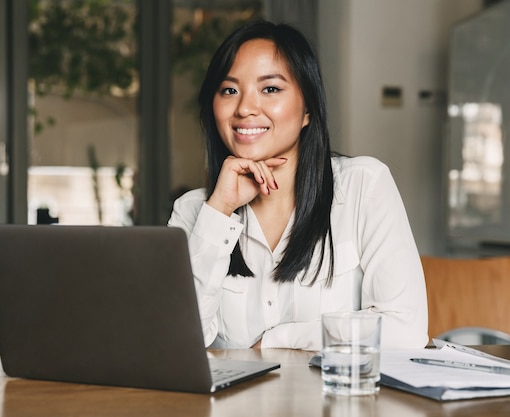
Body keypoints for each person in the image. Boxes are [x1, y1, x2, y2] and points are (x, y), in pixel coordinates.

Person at [168, 20, 428, 351]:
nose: (245, 108)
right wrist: (219, 211)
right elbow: (176, 343)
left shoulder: (363, 185)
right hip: (233, 405)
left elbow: (405, 332)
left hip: (338, 402)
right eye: (229, 90)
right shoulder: (194, 211)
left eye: (271, 89)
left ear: (308, 109)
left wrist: (278, 340)